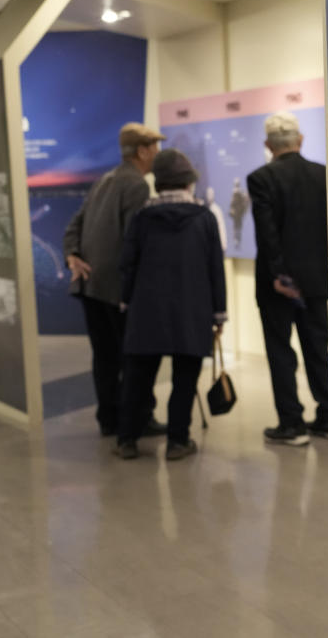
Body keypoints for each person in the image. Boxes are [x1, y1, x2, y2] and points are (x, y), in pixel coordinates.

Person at [114, 149, 227, 461]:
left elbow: (128, 265)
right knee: (185, 378)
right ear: (189, 182)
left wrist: (126, 302)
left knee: (138, 378)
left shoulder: (141, 218)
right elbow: (214, 268)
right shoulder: (204, 219)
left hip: (146, 309)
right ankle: (178, 441)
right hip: (193, 310)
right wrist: (219, 313)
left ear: (158, 183)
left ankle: (127, 440)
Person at [63, 122, 167, 438]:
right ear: (143, 151)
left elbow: (73, 228)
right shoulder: (136, 186)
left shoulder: (104, 181)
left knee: (105, 358)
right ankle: (138, 419)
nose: (158, 153)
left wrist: (72, 255)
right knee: (136, 357)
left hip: (91, 286)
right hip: (118, 290)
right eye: (155, 147)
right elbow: (134, 242)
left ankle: (109, 420)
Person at [248, 111, 328, 444]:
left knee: (280, 352)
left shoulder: (261, 178)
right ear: (300, 140)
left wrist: (281, 275)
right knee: (318, 349)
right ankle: (327, 418)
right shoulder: (322, 175)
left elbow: (267, 234)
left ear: (268, 145)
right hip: (315, 283)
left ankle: (292, 425)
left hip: (277, 286)